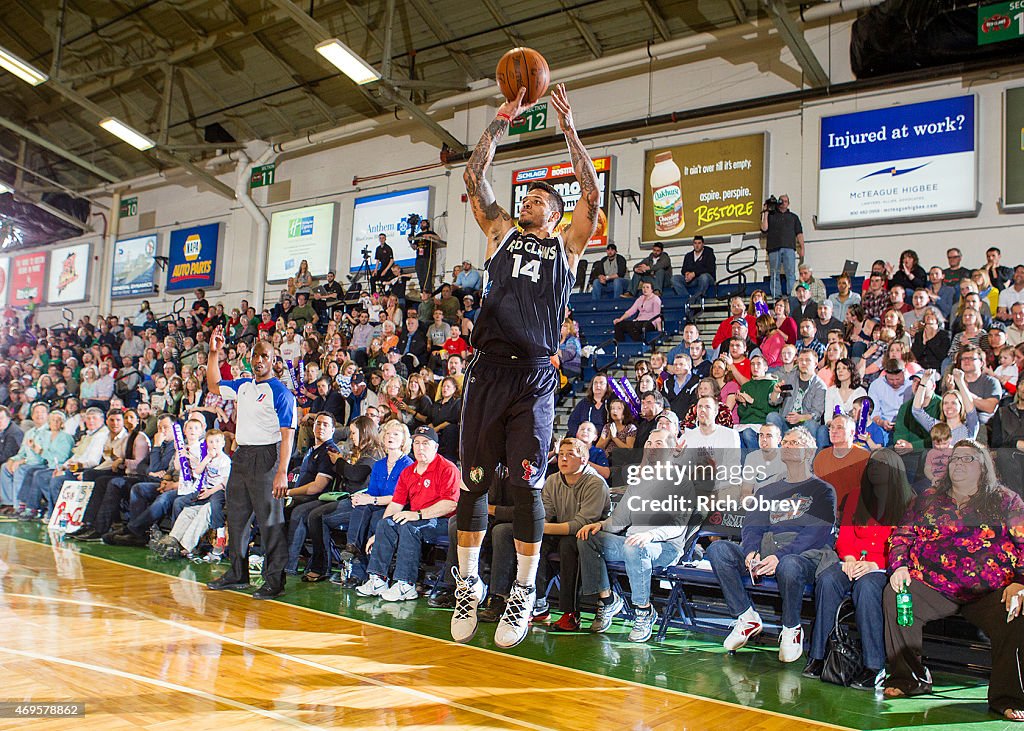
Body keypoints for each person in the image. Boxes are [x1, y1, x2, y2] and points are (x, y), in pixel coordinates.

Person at [454, 83, 599, 649]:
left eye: (539, 198)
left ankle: (522, 591)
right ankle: (467, 585)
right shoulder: (501, 233)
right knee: (473, 485)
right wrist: (501, 119)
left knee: (526, 488)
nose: (529, 202)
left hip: (536, 375)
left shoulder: (568, 247)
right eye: (528, 197)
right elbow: (474, 177)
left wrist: (569, 128)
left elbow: (590, 189)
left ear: (557, 213)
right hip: (488, 369)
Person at [883, 440, 1024, 721]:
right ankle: (910, 678)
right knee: (896, 594)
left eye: (968, 459)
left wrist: (1020, 582)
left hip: (990, 591)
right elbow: (902, 536)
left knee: (1018, 611)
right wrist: (900, 566)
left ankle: (1007, 696)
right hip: (935, 587)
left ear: (984, 467)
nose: (958, 463)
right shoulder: (927, 499)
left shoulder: (1007, 500)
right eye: (955, 459)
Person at [706, 426, 837, 662]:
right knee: (718, 550)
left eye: (794, 443)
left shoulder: (823, 490)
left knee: (789, 565)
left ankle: (791, 629)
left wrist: (779, 556)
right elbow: (752, 525)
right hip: (767, 550)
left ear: (808, 452)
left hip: (804, 555)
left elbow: (816, 533)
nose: (787, 445)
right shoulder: (768, 490)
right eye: (785, 442)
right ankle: (746, 617)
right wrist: (751, 552)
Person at [803, 448, 914, 690]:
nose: (874, 469)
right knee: (828, 579)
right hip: (853, 561)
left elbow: (905, 545)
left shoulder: (909, 502)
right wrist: (850, 558)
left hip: (884, 567)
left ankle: (874, 666)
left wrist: (876, 565)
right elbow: (844, 537)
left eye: (881, 465)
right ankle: (820, 655)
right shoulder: (856, 496)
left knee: (866, 587)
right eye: (872, 465)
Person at [577, 429, 697, 643]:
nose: (652, 446)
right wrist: (600, 524)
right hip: (631, 542)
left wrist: (650, 535)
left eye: (658, 443)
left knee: (634, 546)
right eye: (649, 442)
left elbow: (677, 527)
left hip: (664, 546)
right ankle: (608, 600)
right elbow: (619, 521)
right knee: (587, 537)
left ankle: (644, 611)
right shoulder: (638, 482)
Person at [205, 332, 297, 600]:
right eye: (255, 355)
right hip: (242, 457)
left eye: (264, 356)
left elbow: (288, 433)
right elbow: (213, 385)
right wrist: (214, 353)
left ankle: (274, 581)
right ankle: (237, 573)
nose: (259, 360)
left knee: (271, 522)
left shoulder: (280, 392)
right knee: (236, 518)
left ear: (273, 361)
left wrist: (282, 471)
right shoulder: (243, 386)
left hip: (268, 458)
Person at [493, 437, 610, 632]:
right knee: (504, 531)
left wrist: (540, 529)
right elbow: (545, 513)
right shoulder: (553, 479)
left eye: (570, 455)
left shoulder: (595, 483)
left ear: (583, 460)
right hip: (558, 529)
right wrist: (539, 528)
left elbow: (581, 524)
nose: (563, 459)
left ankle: (570, 614)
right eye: (561, 455)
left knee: (568, 545)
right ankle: (519, 600)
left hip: (588, 536)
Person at [356, 426, 458, 601]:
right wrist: (377, 535)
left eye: (426, 443)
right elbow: (396, 504)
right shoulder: (408, 472)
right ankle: (378, 579)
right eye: (417, 443)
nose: (420, 447)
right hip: (417, 517)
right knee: (385, 524)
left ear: (436, 447)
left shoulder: (447, 468)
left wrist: (418, 514)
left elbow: (450, 504)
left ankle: (406, 584)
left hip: (442, 521)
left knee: (409, 527)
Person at [760, 193, 803, 298]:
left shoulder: (793, 217)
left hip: (789, 248)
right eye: (781, 200)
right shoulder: (771, 215)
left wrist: (802, 247)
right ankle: (776, 296)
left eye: (785, 201)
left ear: (788, 203)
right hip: (773, 248)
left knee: (790, 273)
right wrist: (766, 211)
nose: (783, 203)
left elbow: (799, 233)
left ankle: (792, 295)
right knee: (774, 273)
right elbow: (764, 228)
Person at [671, 236, 716, 313]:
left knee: (704, 277)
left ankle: (697, 299)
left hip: (707, 279)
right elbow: (683, 269)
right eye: (695, 243)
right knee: (674, 278)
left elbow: (710, 268)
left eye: (699, 243)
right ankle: (687, 299)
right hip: (692, 280)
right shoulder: (688, 255)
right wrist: (686, 273)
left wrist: (694, 273)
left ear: (703, 244)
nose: (697, 245)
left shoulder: (709, 253)